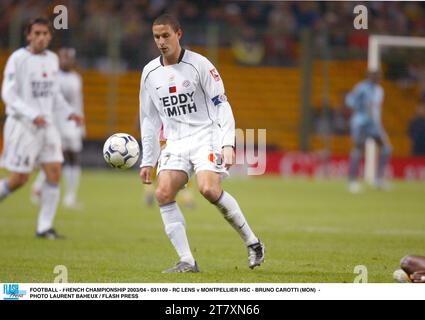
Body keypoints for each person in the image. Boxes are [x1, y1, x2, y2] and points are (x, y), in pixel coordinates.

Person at [139, 14, 265, 273]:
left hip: (205, 137)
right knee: (163, 194)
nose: (161, 42)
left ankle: (253, 242)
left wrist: (227, 144)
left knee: (208, 189)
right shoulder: (150, 73)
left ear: (179, 34)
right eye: (156, 37)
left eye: (166, 36)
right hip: (174, 141)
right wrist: (148, 160)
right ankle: (187, 260)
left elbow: (222, 105)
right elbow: (149, 119)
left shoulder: (200, 65)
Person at [0, 18, 83, 239]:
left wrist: (69, 112)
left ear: (50, 36)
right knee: (19, 179)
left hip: (47, 125)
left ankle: (44, 227)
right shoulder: (18, 59)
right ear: (28, 35)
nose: (41, 37)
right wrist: (31, 114)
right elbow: (8, 94)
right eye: (36, 33)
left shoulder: (52, 59)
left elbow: (54, 93)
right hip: (23, 125)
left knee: (54, 172)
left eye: (45, 33)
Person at [31, 47, 85, 209]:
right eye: (63, 57)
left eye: (69, 58)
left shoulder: (76, 78)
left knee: (73, 158)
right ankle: (38, 188)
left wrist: (82, 125)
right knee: (55, 158)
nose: (66, 60)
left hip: (72, 124)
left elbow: (78, 103)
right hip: (54, 123)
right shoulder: (52, 77)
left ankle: (70, 196)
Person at [345, 71, 392, 193]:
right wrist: (360, 107)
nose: (378, 78)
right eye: (375, 76)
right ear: (369, 76)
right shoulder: (361, 87)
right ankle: (352, 181)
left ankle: (378, 179)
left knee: (386, 148)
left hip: (374, 125)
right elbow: (349, 100)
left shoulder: (379, 90)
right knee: (357, 150)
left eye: (379, 76)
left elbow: (375, 109)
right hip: (361, 123)